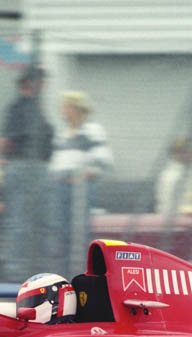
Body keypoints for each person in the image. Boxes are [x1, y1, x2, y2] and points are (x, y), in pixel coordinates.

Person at [0, 64, 54, 281]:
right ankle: (17, 272)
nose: (44, 85)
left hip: (36, 169)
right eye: (41, 81)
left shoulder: (35, 107)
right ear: (31, 83)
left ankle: (31, 268)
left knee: (34, 222)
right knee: (21, 222)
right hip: (23, 168)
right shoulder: (18, 107)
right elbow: (4, 141)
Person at [49, 90, 113, 277]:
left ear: (76, 109)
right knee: (61, 234)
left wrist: (86, 174)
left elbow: (105, 160)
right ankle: (61, 275)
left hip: (79, 191)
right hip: (60, 189)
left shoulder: (92, 131)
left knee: (79, 234)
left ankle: (82, 275)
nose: (62, 111)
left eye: (66, 107)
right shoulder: (62, 134)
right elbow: (56, 161)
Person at [155, 137, 192, 218]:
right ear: (176, 154)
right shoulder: (171, 176)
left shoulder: (191, 171)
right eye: (186, 151)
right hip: (178, 222)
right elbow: (168, 205)